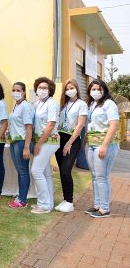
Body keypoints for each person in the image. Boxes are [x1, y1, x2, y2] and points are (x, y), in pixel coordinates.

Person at [85, 79, 120, 218]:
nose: (95, 91)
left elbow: (114, 125)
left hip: (104, 144)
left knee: (102, 176)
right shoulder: (92, 104)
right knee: (95, 176)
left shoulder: (109, 104)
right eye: (93, 89)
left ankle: (105, 209)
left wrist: (104, 145)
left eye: (98, 89)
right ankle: (97, 205)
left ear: (104, 90)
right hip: (91, 143)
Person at [54, 79, 87, 212]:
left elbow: (80, 125)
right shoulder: (63, 104)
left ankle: (70, 201)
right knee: (62, 171)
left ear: (77, 88)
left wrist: (69, 143)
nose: (69, 91)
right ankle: (66, 199)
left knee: (66, 171)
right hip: (60, 138)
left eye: (72, 88)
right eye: (67, 89)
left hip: (72, 140)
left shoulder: (82, 104)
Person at [30, 77, 60, 214]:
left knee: (36, 171)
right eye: (40, 87)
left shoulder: (52, 104)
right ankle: (49, 202)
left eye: (45, 88)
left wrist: (39, 144)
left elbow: (51, 124)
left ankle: (43, 205)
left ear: (50, 90)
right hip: (41, 141)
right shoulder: (37, 104)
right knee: (46, 173)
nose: (42, 90)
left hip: (49, 142)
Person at [7, 82, 33, 208]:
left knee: (23, 171)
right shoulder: (16, 106)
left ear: (24, 92)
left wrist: (27, 147)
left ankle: (22, 200)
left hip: (21, 141)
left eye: (18, 90)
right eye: (13, 90)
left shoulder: (25, 106)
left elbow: (29, 127)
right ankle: (20, 195)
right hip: (13, 141)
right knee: (19, 170)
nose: (15, 92)